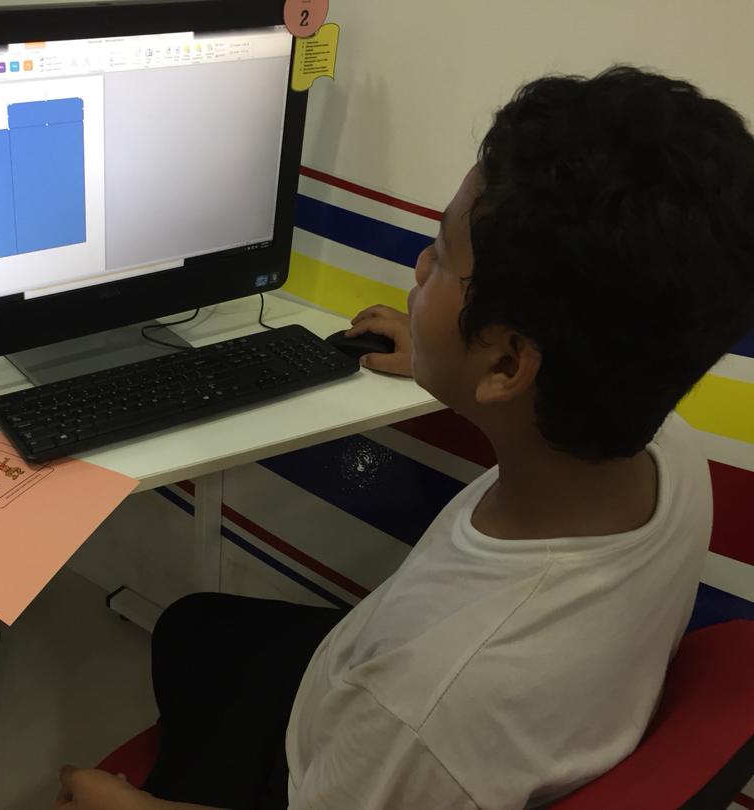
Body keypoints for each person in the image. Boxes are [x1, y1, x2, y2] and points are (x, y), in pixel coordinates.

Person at [55, 66, 754, 809]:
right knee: (193, 628)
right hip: (403, 695)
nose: (419, 267)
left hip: (333, 767)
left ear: (508, 363)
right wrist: (444, 356)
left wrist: (126, 805)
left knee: (187, 661)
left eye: (441, 256)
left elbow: (393, 737)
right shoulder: (662, 445)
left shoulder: (420, 711)